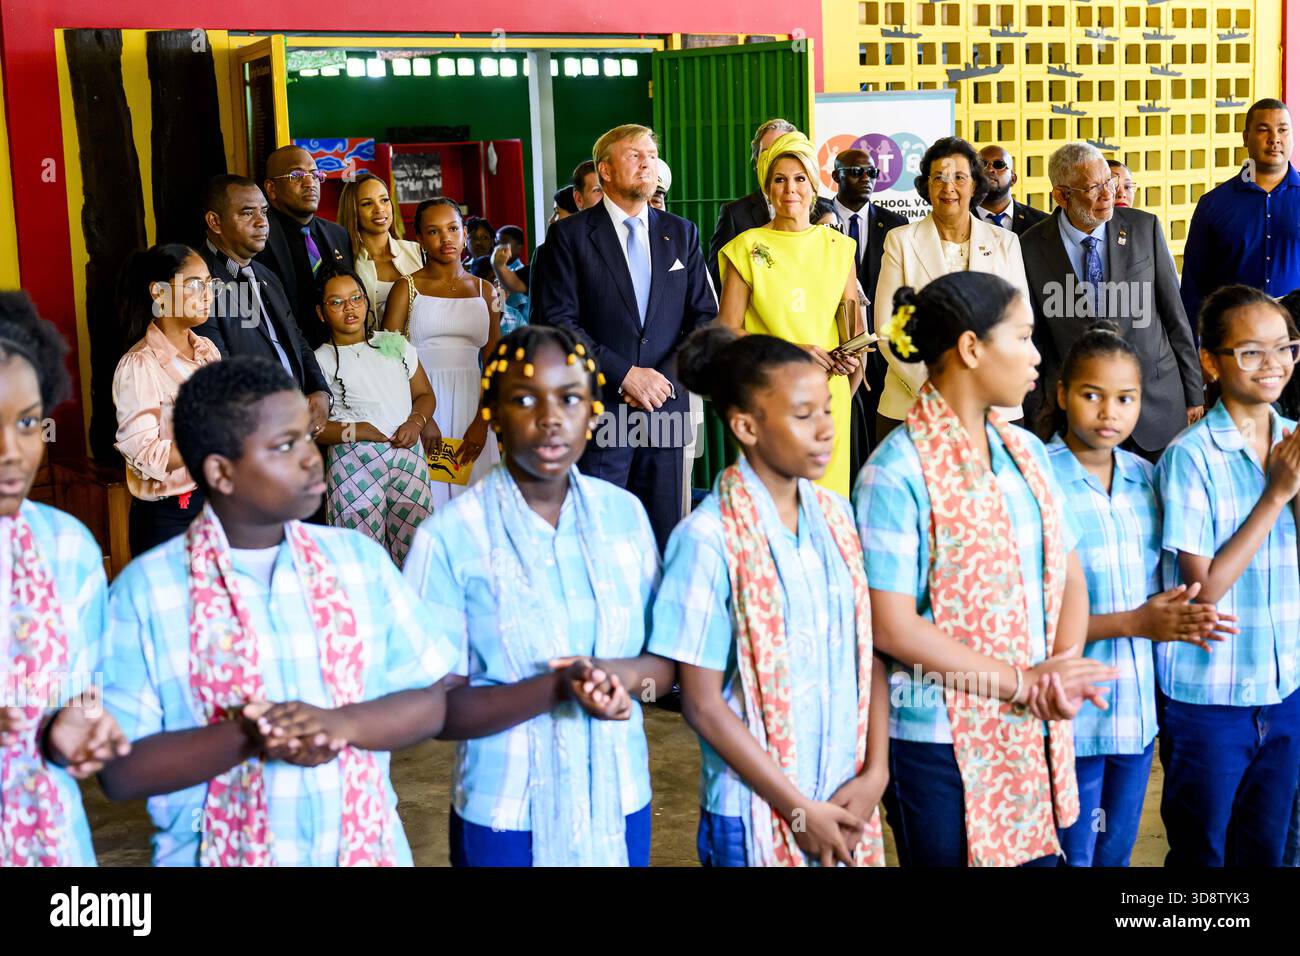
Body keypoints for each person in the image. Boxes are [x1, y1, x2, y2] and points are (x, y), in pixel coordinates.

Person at [100, 356, 459, 866]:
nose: (311, 458)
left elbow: (432, 702)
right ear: (221, 472)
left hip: (364, 850)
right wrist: (249, 736)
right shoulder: (149, 592)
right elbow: (120, 771)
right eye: (284, 445)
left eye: (305, 438)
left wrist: (342, 725)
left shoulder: (358, 563)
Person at [857, 272, 1119, 867]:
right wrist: (1023, 682)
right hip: (937, 742)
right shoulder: (894, 472)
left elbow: (1068, 568)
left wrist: (1058, 669)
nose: (1036, 356)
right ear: (971, 349)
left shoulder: (1023, 450)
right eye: (1023, 338)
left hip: (1030, 725)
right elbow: (891, 626)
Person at [402, 325, 673, 866]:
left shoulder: (624, 517)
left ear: (594, 411)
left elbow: (662, 665)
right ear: (493, 415)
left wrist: (613, 681)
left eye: (570, 398)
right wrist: (554, 689)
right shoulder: (450, 537)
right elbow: (434, 708)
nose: (550, 418)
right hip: (506, 815)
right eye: (524, 399)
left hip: (618, 801)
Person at [650, 326, 888, 867]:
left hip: (846, 791)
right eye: (804, 416)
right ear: (746, 426)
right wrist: (799, 811)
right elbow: (703, 703)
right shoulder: (708, 539)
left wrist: (876, 773)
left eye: (827, 410)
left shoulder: (836, 515)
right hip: (755, 811)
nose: (825, 430)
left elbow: (867, 647)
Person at [1040, 324, 1236, 867]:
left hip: (1135, 718)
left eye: (1125, 398)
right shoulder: (1036, 480)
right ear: (1062, 393)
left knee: (1116, 858)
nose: (1110, 412)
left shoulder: (1146, 480)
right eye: (1091, 395)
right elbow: (1031, 617)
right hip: (1065, 717)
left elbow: (1169, 602)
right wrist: (1134, 623)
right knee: (1068, 858)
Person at [1155, 284, 1300, 867]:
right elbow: (1201, 592)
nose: (1273, 365)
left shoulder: (1291, 441)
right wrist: (1276, 496)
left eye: (1285, 348)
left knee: (1267, 848)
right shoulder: (1190, 456)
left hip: (1285, 685)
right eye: (1251, 352)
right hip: (1210, 698)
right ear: (1211, 361)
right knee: (1203, 853)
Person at [534, 124, 717, 550]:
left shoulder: (682, 232)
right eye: (634, 154)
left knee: (665, 533)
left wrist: (659, 379)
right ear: (606, 171)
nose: (647, 161)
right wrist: (624, 375)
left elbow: (704, 319)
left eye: (651, 154)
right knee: (600, 536)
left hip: (666, 407)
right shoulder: (569, 237)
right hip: (600, 409)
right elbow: (558, 324)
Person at [0, 292, 131, 866]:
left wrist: (77, 723)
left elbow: (79, 691)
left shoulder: (66, 549)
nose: (10, 452)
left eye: (27, 422)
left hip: (45, 840)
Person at [1020, 142, 1203, 459]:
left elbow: (1175, 315)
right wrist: (1039, 411)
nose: (1108, 194)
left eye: (1109, 181)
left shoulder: (1143, 227)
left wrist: (1193, 391)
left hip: (1156, 405)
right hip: (1079, 415)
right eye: (1093, 188)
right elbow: (1035, 338)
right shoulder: (1031, 246)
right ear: (1062, 196)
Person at [717, 131, 863, 496]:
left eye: (800, 179)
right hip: (769, 391)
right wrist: (790, 350)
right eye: (779, 180)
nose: (790, 189)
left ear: (814, 185)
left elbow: (853, 330)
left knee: (827, 502)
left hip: (827, 394)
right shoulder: (746, 248)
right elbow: (726, 332)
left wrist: (850, 358)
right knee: (772, 498)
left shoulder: (839, 248)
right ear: (767, 188)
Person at [874, 136, 1031, 442]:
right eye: (939, 178)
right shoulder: (900, 241)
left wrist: (977, 388)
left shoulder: (1005, 243)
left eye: (959, 177)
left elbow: (1019, 325)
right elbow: (888, 328)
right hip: (914, 404)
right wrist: (938, 390)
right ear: (926, 186)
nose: (948, 188)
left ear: (974, 186)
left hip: (992, 405)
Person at [312, 268, 438, 566]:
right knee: (360, 556)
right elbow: (313, 429)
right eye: (337, 302)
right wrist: (359, 431)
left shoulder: (393, 344)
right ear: (321, 312)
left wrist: (415, 422)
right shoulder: (319, 360)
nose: (349, 307)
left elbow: (425, 395)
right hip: (353, 465)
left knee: (417, 549)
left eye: (356, 298)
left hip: (407, 456)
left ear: (367, 302)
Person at [194, 174, 333, 439]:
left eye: (264, 212)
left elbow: (297, 340)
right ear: (215, 222)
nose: (262, 223)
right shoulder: (197, 282)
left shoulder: (266, 275)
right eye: (247, 213)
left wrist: (320, 391)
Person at [382, 197, 502, 505]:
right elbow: (389, 356)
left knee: (475, 503)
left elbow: (494, 361)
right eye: (433, 231)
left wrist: (483, 421)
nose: (445, 238)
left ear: (464, 232)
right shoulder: (404, 287)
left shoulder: (486, 290)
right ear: (419, 238)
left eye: (452, 228)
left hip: (473, 404)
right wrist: (421, 416)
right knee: (428, 502)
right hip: (419, 401)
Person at [113, 244, 222, 554]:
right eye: (194, 284)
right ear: (158, 293)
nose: (206, 294)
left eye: (209, 284)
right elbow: (148, 456)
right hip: (169, 519)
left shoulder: (207, 352)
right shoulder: (139, 366)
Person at [1180, 99, 1300, 327]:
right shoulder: (1213, 204)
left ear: (1292, 136)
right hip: (1233, 336)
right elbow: (1194, 287)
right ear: (1246, 138)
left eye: (1282, 130)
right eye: (1264, 130)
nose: (1274, 138)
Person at [830, 146, 908, 469]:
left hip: (881, 354)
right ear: (836, 177)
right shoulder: (816, 218)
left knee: (876, 445)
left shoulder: (894, 224)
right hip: (833, 351)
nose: (866, 178)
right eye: (856, 172)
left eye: (872, 173)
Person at [255, 145, 353, 348]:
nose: (310, 182)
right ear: (271, 189)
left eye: (315, 174)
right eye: (296, 175)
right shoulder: (257, 240)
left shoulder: (338, 235)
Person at [707, 118, 797, 294]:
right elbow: (718, 281)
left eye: (782, 151)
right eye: (766, 152)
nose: (773, 159)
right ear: (756, 162)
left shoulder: (824, 212)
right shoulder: (734, 214)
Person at [335, 172, 423, 319]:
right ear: (353, 211)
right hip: (369, 342)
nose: (379, 209)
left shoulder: (417, 251)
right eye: (367, 203)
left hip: (422, 341)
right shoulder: (343, 262)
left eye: (384, 200)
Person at [976, 145, 1050, 233]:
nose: (990, 169)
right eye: (982, 164)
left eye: (999, 164)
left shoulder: (1042, 223)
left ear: (1013, 179)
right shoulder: (958, 220)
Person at [489, 224, 530, 336]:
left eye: (504, 243)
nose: (498, 247)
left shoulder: (520, 276)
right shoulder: (494, 269)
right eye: (497, 243)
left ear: (519, 247)